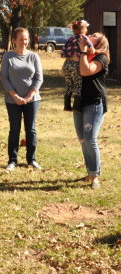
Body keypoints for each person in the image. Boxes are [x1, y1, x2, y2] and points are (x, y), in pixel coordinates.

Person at [1, 27, 43, 171]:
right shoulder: (8, 56)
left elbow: (39, 78)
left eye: (26, 39)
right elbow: (4, 78)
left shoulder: (34, 56)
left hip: (32, 99)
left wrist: (29, 96)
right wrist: (15, 96)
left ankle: (32, 159)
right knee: (14, 129)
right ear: (14, 40)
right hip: (13, 100)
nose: (24, 42)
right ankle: (12, 160)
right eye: (21, 39)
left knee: (30, 129)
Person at [75, 33, 110, 189]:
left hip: (94, 103)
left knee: (90, 139)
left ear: (100, 42)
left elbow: (86, 71)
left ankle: (95, 176)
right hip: (80, 101)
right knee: (83, 139)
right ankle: (90, 172)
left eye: (94, 35)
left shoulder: (102, 58)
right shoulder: (84, 54)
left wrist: (83, 52)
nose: (90, 35)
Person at [61, 19, 95, 111]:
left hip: (67, 64)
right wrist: (92, 50)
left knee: (69, 84)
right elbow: (92, 49)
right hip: (76, 64)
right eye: (86, 29)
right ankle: (77, 106)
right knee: (78, 85)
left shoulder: (70, 38)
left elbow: (64, 50)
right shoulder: (84, 37)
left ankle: (67, 105)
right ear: (84, 30)